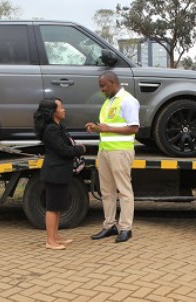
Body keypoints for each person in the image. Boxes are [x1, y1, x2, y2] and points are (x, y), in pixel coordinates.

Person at [86, 71, 139, 243]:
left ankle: (126, 228)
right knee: (106, 191)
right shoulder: (108, 101)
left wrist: (107, 128)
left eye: (103, 85)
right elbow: (108, 127)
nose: (101, 89)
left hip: (120, 151)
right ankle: (109, 225)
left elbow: (134, 128)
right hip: (105, 150)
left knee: (124, 190)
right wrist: (96, 128)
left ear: (113, 82)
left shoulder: (128, 100)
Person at [33, 97, 86, 250]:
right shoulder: (51, 129)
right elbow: (63, 150)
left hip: (61, 172)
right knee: (52, 207)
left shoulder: (58, 126)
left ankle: (55, 236)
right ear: (52, 111)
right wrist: (80, 149)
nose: (64, 109)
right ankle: (50, 240)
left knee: (58, 207)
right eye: (61, 107)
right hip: (54, 172)